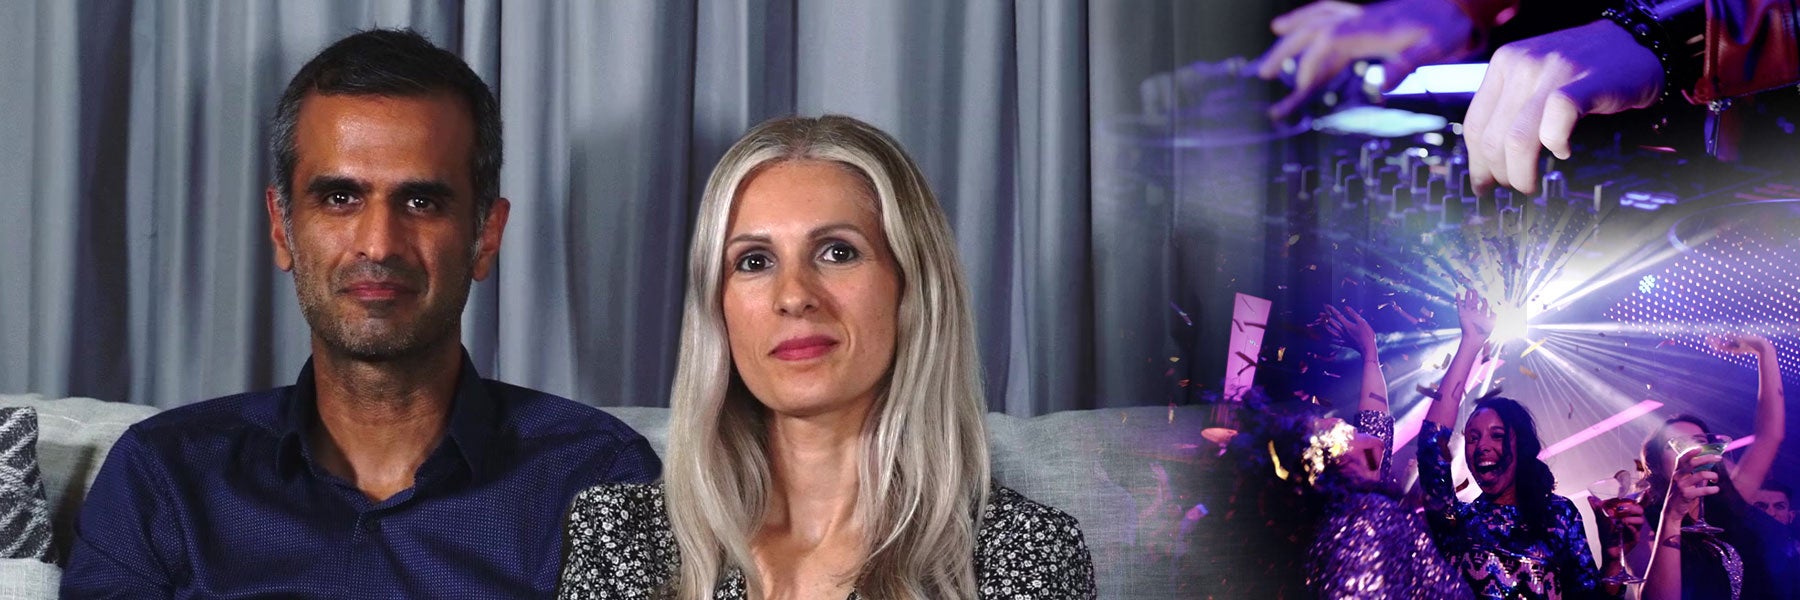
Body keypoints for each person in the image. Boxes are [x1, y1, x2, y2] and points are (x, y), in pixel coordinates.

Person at [60, 29, 660, 598]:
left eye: (421, 201)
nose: (378, 244)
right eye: (340, 197)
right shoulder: (163, 479)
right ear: (281, 227)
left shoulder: (601, 477)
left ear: (486, 236)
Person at [555, 115, 1095, 599]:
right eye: (754, 261)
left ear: (912, 287)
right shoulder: (622, 536)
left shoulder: (1023, 550)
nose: (794, 296)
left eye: (838, 252)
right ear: (717, 308)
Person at [1419, 289, 1624, 598]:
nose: (1482, 446)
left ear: (1521, 446)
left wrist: (1612, 558)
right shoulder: (1458, 521)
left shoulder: (1559, 516)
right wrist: (1471, 344)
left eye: (1497, 435)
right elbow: (1432, 445)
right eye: (1472, 437)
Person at [1627, 334, 1793, 600]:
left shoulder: (1730, 497)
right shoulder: (1642, 520)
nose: (1692, 451)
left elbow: (1770, 435)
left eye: (1700, 442)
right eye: (1675, 444)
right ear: (1656, 464)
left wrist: (1765, 350)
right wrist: (1672, 517)